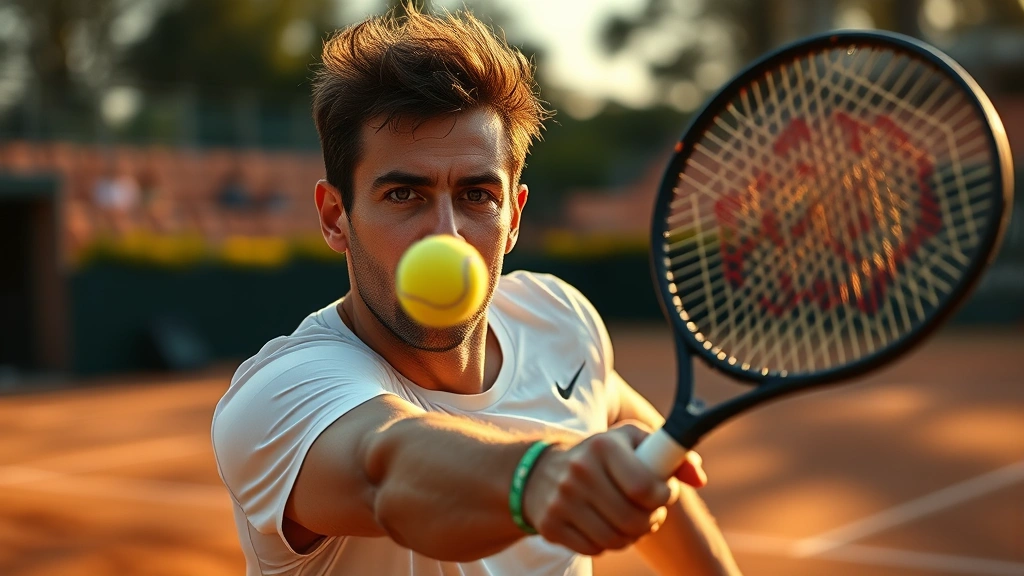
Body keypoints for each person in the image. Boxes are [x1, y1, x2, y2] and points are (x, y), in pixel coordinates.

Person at [211, 6, 742, 576]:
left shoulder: (558, 320)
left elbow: (640, 454)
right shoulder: (282, 394)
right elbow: (386, 469)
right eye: (403, 196)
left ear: (514, 216)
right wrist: (536, 479)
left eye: (476, 195)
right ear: (336, 216)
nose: (447, 235)